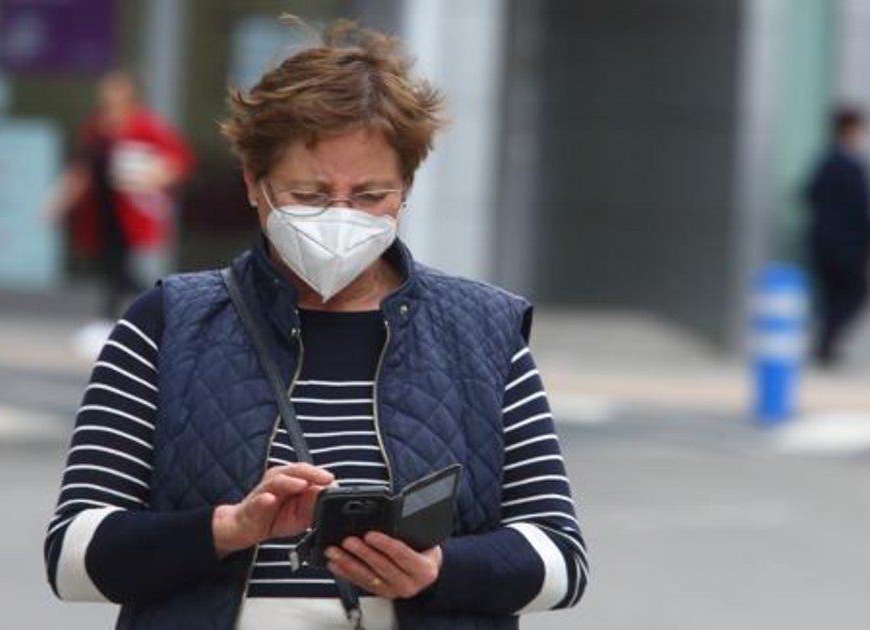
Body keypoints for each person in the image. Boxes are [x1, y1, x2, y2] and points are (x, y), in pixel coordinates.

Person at [44, 20, 587, 629]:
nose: (339, 215)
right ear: (255, 183)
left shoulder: (485, 331)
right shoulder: (167, 324)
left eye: (370, 195)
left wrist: (438, 570)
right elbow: (73, 555)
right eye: (307, 193)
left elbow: (562, 559)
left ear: (406, 188)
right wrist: (228, 529)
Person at [45, 70, 196, 355]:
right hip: (101, 209)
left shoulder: (145, 126)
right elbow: (82, 168)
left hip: (130, 210)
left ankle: (110, 320)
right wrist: (59, 201)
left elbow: (179, 159)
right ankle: (158, 308)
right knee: (112, 265)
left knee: (119, 266)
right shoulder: (96, 128)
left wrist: (154, 176)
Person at [804, 105, 870, 367]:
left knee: (839, 296)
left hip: (830, 242)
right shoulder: (840, 164)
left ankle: (826, 345)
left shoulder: (828, 162)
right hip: (843, 245)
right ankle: (825, 344)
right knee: (857, 291)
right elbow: (863, 207)